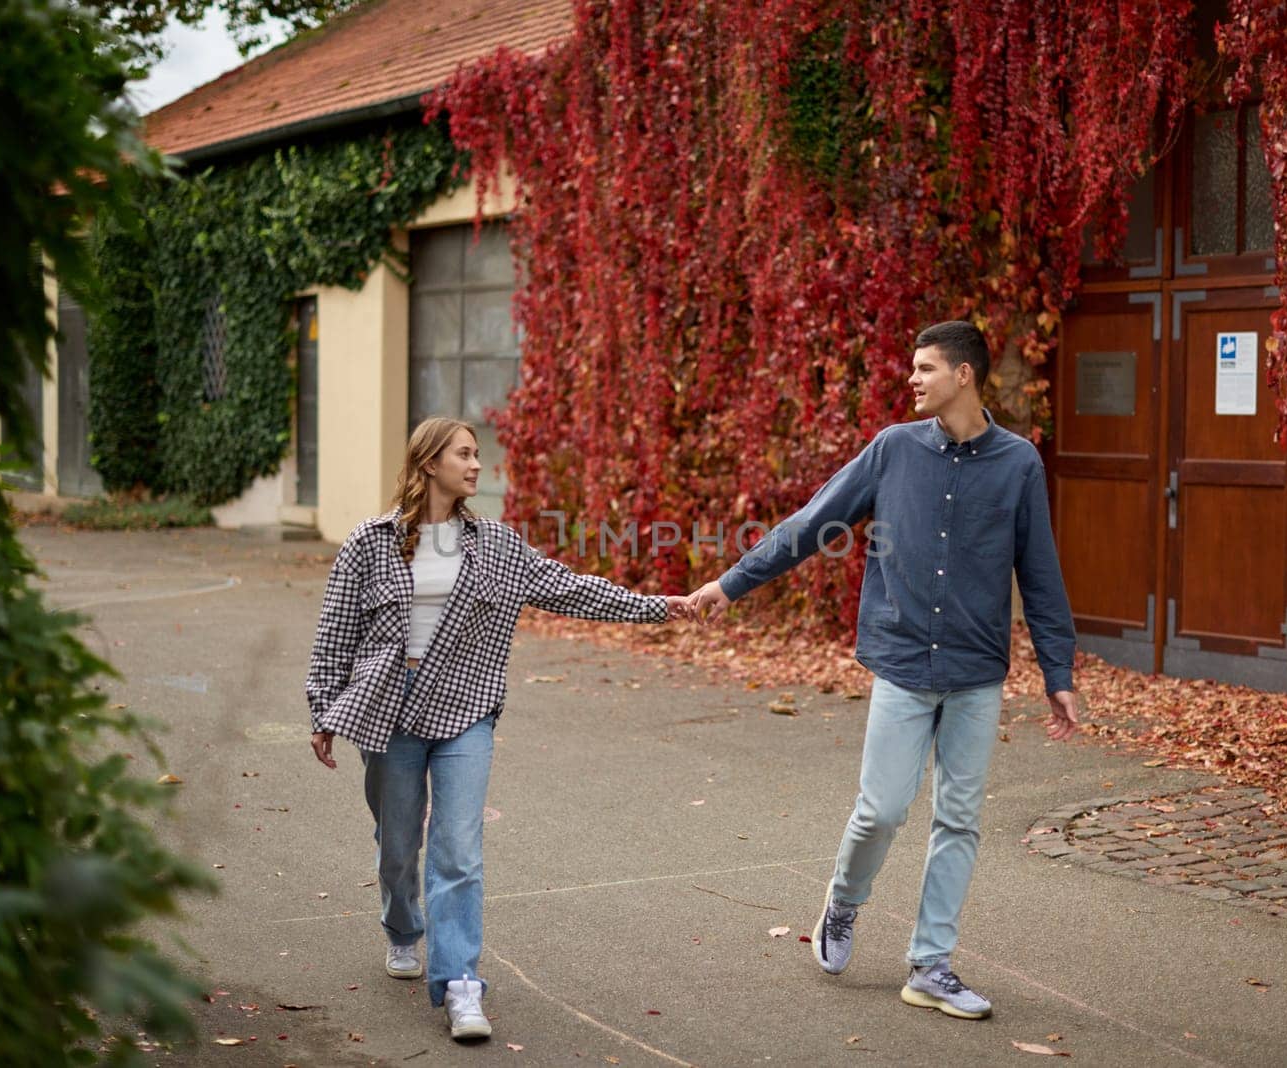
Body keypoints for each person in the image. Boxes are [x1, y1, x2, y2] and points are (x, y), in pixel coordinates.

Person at [688, 320, 1079, 1020]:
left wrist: (1058, 672)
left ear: (964, 375)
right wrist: (732, 584)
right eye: (914, 369)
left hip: (975, 671)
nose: (913, 379)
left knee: (958, 820)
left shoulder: (1019, 463)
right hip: (901, 662)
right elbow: (812, 523)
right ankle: (844, 900)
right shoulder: (893, 449)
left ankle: (930, 965)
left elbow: (1040, 573)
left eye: (926, 368)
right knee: (883, 810)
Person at [305, 416, 696, 1042]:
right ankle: (403, 928)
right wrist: (324, 709)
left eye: (478, 454)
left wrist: (658, 608)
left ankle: (460, 983)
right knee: (398, 843)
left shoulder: (497, 545)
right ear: (429, 463)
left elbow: (570, 589)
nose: (478, 464)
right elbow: (335, 630)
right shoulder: (369, 542)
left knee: (458, 849)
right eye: (464, 454)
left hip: (465, 710)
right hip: (389, 708)